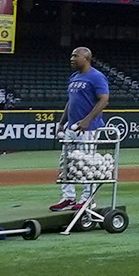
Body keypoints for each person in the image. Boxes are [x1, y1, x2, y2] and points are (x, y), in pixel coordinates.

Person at [51, 45, 111, 219]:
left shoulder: (97, 77)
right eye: (71, 56)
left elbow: (104, 100)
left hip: (89, 128)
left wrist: (88, 119)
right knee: (66, 163)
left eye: (75, 56)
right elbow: (71, 101)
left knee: (87, 164)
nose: (71, 58)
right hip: (71, 127)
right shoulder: (74, 77)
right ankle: (68, 197)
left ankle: (87, 198)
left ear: (86, 58)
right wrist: (62, 123)